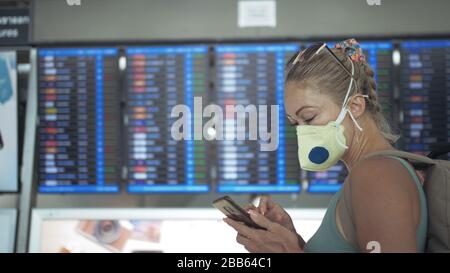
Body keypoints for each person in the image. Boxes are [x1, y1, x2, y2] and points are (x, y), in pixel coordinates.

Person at [224, 39, 427, 253]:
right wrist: (296, 242)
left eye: (309, 117)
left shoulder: (377, 175)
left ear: (355, 106)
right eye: (295, 123)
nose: (303, 131)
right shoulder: (375, 172)